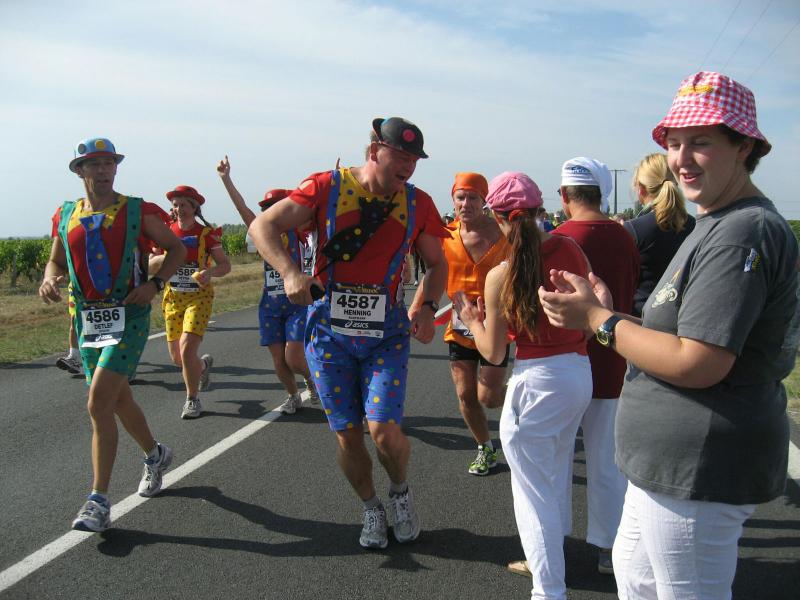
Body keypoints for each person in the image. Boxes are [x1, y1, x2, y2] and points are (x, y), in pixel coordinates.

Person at [538, 71, 798, 599]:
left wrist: (598, 321)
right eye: (674, 143)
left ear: (744, 147)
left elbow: (697, 361)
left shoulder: (741, 231)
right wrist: (606, 312)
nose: (682, 158)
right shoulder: (715, 221)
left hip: (699, 467)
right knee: (636, 577)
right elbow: (678, 336)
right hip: (670, 467)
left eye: (701, 142)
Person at [249, 117, 448, 549]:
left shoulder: (419, 204)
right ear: (374, 150)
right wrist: (290, 272)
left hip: (386, 333)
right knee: (348, 434)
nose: (408, 166)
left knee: (384, 431)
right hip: (328, 333)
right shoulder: (326, 187)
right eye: (400, 156)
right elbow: (261, 226)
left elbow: (437, 264)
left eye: (414, 159)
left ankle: (400, 493)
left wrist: (427, 306)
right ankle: (371, 507)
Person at [453, 171, 592, 600]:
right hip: (578, 372)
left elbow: (493, 353)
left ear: (497, 216)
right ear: (539, 209)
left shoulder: (501, 274)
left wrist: (473, 321)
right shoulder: (570, 249)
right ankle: (553, 554)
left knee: (532, 495)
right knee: (556, 468)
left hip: (536, 381)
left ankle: (548, 588)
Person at [39, 137, 186, 532]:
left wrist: (155, 285)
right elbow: (56, 261)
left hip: (129, 316)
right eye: (94, 164)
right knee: (118, 399)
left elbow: (176, 250)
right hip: (89, 321)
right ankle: (155, 454)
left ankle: (98, 501)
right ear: (79, 171)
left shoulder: (137, 211)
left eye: (109, 163)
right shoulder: (66, 214)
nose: (104, 170)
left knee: (98, 402)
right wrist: (49, 279)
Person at [554, 157, 639, 574]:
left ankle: (549, 547)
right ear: (601, 194)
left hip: (563, 363)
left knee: (554, 461)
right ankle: (609, 549)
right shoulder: (625, 236)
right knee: (607, 461)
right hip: (613, 361)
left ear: (564, 196)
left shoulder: (558, 239)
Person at [413, 172, 509, 476]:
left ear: (485, 201)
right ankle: (485, 447)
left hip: (496, 326)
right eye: (460, 197)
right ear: (453, 199)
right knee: (465, 393)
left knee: (489, 398)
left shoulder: (503, 234)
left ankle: (514, 397)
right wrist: (417, 308)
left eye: (473, 198)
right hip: (460, 326)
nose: (466, 204)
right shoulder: (445, 236)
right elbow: (431, 274)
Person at [216, 156, 319, 413]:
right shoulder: (262, 234)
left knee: (293, 357)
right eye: (267, 208)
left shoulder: (301, 232)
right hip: (270, 305)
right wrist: (226, 180)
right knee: (278, 359)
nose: (272, 212)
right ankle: (293, 396)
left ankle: (312, 380)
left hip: (298, 303)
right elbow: (242, 209)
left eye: (277, 206)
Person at [150, 185, 231, 419]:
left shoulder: (206, 234)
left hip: (199, 297)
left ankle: (192, 399)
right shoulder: (165, 232)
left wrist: (209, 273)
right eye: (175, 205)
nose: (179, 209)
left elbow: (225, 265)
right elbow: (151, 264)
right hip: (173, 298)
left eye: (183, 204)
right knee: (178, 358)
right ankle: (203, 366)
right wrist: (166, 257)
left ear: (194, 207)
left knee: (186, 350)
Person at [624, 152, 696, 317]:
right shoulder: (695, 225)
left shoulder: (634, 229)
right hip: (684, 316)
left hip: (641, 318)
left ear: (640, 189)